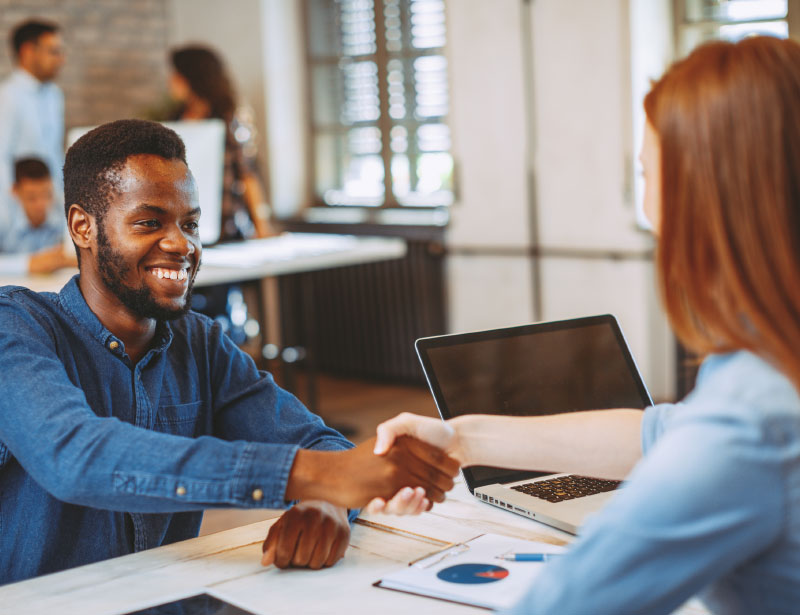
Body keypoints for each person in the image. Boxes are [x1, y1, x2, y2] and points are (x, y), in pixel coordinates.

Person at [368, 36, 800, 615]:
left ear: (706, 196)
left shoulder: (754, 417)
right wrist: (464, 438)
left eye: (647, 173)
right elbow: (667, 434)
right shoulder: (769, 368)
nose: (648, 212)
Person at [0, 119, 458, 586]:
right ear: (83, 227)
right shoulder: (16, 325)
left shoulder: (199, 343)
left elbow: (321, 445)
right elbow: (73, 456)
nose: (182, 244)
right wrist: (313, 476)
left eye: (191, 224)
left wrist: (326, 502)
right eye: (149, 223)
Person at [168, 45, 271, 240]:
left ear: (192, 77)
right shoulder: (176, 120)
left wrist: (262, 227)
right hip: (187, 226)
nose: (171, 81)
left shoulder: (228, 120)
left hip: (228, 225)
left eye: (177, 75)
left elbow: (247, 174)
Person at [0, 19, 65, 227]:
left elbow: (54, 153)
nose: (61, 59)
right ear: (28, 52)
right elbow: (2, 158)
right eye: (53, 51)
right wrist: (15, 212)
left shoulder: (55, 94)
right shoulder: (8, 97)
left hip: (51, 205)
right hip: (18, 211)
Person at [0, 157, 75, 275]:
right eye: (32, 197)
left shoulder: (68, 209)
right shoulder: (4, 217)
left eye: (47, 194)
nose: (41, 204)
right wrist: (29, 264)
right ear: (15, 191)